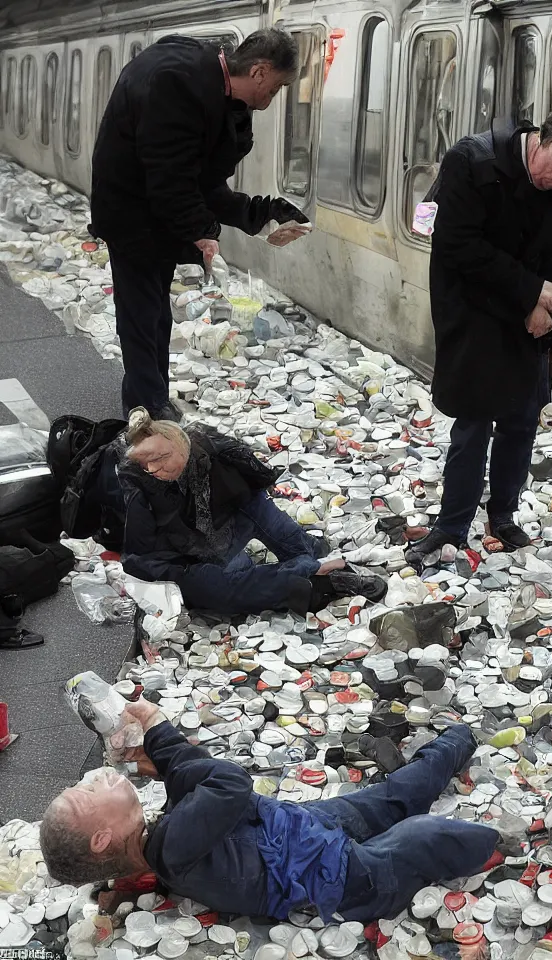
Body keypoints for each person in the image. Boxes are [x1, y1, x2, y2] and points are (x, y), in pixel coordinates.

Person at [39, 700, 508, 922]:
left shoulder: (161, 844)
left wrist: (166, 764)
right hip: (340, 878)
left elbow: (202, 797)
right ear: (101, 837)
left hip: (302, 830)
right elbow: (229, 785)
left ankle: (459, 738)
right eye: (85, 795)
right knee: (422, 835)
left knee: (392, 796)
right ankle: (504, 845)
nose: (89, 780)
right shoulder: (170, 849)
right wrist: (161, 734)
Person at [406, 105, 552, 570]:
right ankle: (452, 525)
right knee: (474, 421)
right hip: (474, 308)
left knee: (523, 417)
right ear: (545, 138)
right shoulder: (472, 162)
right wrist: (530, 294)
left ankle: (502, 514)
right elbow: (456, 245)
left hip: (528, 311)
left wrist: (549, 304)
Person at [90, 29, 310, 420]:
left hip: (152, 215)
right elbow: (171, 180)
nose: (272, 99)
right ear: (258, 72)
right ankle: (149, 414)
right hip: (131, 215)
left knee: (155, 313)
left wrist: (263, 214)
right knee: (142, 314)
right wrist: (203, 233)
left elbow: (202, 184)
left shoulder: (213, 89)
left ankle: (150, 403)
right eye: (276, 88)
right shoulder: (179, 85)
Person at [117, 408, 386, 617]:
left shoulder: (208, 450)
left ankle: (315, 562)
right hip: (188, 563)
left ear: (179, 446)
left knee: (259, 511)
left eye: (160, 459)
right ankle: (316, 576)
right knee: (226, 587)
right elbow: (139, 558)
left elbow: (253, 484)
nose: (153, 470)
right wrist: (185, 577)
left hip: (222, 533)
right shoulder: (142, 490)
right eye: (146, 464)